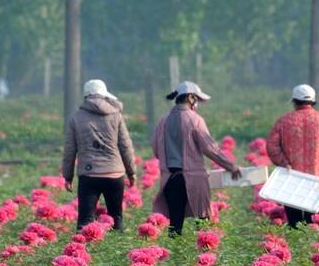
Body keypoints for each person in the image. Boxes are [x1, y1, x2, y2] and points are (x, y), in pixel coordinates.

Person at [151, 81, 241, 236]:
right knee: (203, 219)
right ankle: (205, 248)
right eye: (197, 98)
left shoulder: (163, 120)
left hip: (170, 178)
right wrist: (230, 166)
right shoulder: (195, 120)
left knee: (175, 223)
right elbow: (210, 148)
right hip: (193, 178)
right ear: (191, 98)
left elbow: (156, 150)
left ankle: (175, 255)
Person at [266, 84, 319, 228]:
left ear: (294, 101)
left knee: (294, 222)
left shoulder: (284, 121)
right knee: (313, 221)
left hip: (292, 179)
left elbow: (272, 147)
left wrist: (283, 162)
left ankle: (295, 247)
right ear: (313, 102)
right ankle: (313, 248)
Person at [61, 79, 136, 231]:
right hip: (114, 175)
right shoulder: (116, 115)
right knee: (116, 219)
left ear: (86, 96)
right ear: (104, 95)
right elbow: (125, 146)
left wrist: (67, 176)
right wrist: (131, 172)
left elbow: (70, 150)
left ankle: (83, 253)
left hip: (89, 175)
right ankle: (119, 250)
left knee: (85, 222)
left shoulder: (76, 117)